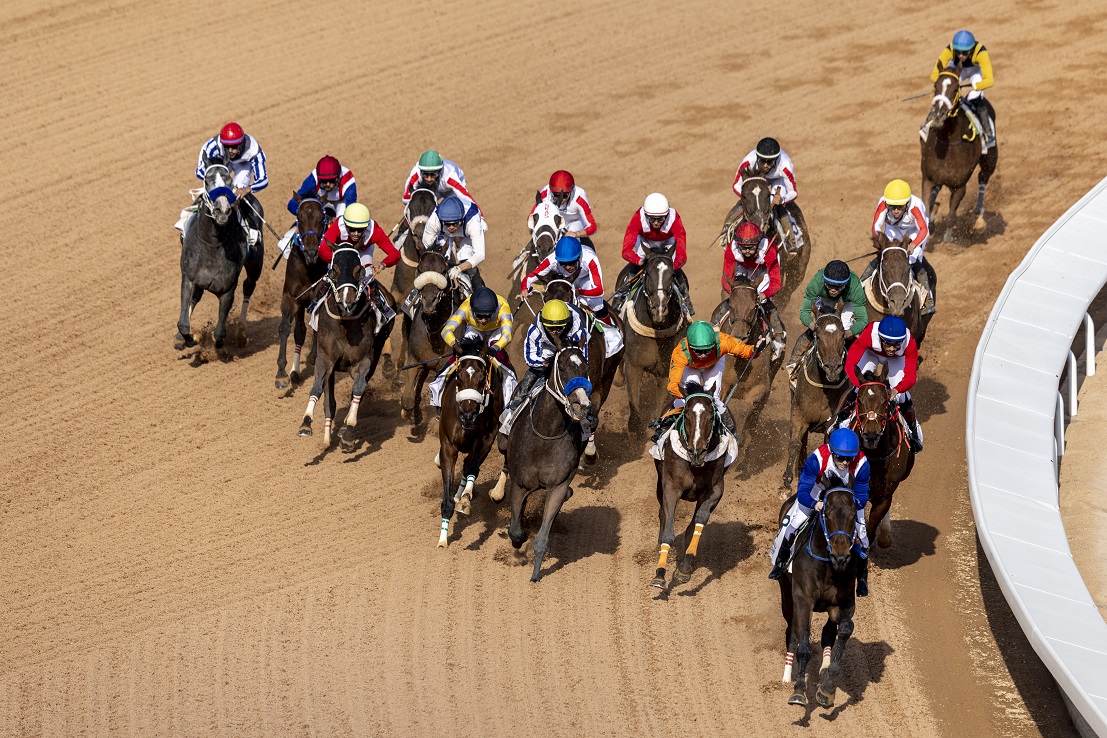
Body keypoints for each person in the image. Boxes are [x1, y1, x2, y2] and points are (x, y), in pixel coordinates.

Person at [767, 428, 872, 596]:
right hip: (817, 491)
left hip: (848, 497)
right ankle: (781, 562)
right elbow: (803, 491)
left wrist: (853, 505)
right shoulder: (817, 459)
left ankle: (862, 578)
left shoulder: (862, 463)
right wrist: (814, 504)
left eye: (849, 458)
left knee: (864, 538)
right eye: (840, 457)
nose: (845, 462)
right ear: (831, 452)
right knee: (793, 525)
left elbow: (862, 493)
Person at [499, 299, 589, 435]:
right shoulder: (535, 329)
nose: (555, 332)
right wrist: (546, 363)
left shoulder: (576, 325)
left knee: (579, 371)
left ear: (566, 322)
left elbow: (583, 355)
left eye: (560, 328)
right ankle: (514, 407)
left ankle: (587, 412)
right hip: (547, 350)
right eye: (550, 328)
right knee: (532, 374)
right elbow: (530, 357)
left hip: (570, 346)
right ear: (543, 324)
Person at [656, 321, 756, 436]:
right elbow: (672, 384)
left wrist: (755, 349)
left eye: (707, 350)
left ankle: (732, 434)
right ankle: (661, 431)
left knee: (714, 398)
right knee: (683, 401)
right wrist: (683, 395)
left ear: (714, 343)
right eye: (698, 351)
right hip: (691, 366)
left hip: (714, 364)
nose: (703, 355)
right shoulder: (681, 352)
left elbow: (745, 350)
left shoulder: (723, 341)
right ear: (689, 347)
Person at [177, 121, 268, 246]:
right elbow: (200, 171)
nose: (230, 151)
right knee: (212, 191)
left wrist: (247, 189)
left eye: (234, 147)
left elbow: (263, 180)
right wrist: (217, 181)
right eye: (227, 147)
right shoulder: (211, 146)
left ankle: (248, 229)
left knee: (236, 193)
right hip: (221, 165)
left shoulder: (253, 149)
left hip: (243, 166)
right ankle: (186, 220)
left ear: (241, 143)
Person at [428, 287, 517, 411]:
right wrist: (454, 344)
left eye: (488, 316)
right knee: (459, 356)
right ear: (472, 310)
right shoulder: (466, 307)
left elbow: (507, 335)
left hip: (496, 332)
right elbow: (446, 330)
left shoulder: (503, 308)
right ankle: (439, 392)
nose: (483, 320)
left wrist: (495, 348)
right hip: (475, 330)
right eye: (479, 316)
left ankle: (510, 405)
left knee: (501, 358)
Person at [313, 203, 400, 328]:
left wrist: (383, 263)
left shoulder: (374, 230)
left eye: (360, 230)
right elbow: (322, 250)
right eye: (352, 229)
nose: (356, 233)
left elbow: (395, 254)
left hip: (363, 250)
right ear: (345, 224)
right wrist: (341, 262)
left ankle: (381, 309)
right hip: (341, 251)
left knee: (367, 275)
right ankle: (315, 305)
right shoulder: (338, 226)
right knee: (332, 274)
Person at [844, 315, 923, 453]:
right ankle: (840, 422)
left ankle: (912, 430)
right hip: (871, 353)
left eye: (897, 345)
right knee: (857, 389)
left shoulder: (909, 342)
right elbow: (850, 365)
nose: (892, 349)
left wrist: (896, 390)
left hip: (897, 360)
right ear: (880, 338)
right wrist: (861, 386)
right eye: (888, 343)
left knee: (901, 396)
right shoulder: (869, 333)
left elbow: (910, 377)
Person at [614, 193, 693, 319]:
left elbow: (682, 254)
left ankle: (686, 299)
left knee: (672, 270)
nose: (656, 223)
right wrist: (638, 261)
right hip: (645, 241)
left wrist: (673, 266)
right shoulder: (638, 218)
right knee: (634, 268)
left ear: (666, 215)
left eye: (660, 219)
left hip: (667, 241)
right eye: (651, 219)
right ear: (646, 215)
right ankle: (620, 299)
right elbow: (626, 250)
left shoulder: (674, 219)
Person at [786, 259, 869, 377]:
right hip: (824, 300)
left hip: (846, 303)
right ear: (824, 281)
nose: (833, 290)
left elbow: (862, 320)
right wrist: (814, 327)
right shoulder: (817, 281)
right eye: (829, 285)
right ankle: (794, 363)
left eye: (838, 287)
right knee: (821, 328)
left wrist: (848, 332)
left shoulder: (855, 286)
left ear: (846, 284)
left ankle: (859, 369)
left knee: (843, 330)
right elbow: (804, 311)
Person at [867, 179, 935, 315]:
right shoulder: (882, 203)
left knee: (912, 260)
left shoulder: (915, 207)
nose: (896, 211)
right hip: (893, 229)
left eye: (900, 207)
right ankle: (862, 282)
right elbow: (876, 226)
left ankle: (928, 299)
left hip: (915, 231)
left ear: (907, 204)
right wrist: (879, 242)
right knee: (886, 256)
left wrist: (914, 244)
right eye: (892, 207)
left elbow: (923, 229)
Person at [722, 221, 787, 361]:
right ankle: (714, 325)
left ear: (758, 243)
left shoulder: (769, 250)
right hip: (742, 270)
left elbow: (776, 283)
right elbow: (726, 279)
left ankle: (778, 337)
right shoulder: (731, 249)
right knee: (736, 301)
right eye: (743, 247)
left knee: (764, 302)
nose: (746, 251)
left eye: (750, 248)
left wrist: (764, 294)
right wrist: (736, 294)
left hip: (763, 272)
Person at [277, 155, 357, 259]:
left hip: (341, 200)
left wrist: (338, 220)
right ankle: (290, 241)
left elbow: (351, 211)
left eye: (331, 181)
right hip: (319, 198)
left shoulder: (348, 181)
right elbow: (291, 203)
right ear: (319, 178)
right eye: (324, 181)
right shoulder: (312, 180)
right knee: (306, 218)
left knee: (342, 226)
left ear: (338, 178)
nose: (327, 184)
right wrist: (302, 213)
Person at [732, 136, 803, 250]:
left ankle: (790, 240)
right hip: (756, 179)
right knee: (747, 201)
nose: (765, 165)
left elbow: (793, 192)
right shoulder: (748, 162)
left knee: (774, 202)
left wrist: (782, 200)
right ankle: (726, 230)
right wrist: (748, 197)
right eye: (762, 161)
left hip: (777, 180)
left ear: (776, 159)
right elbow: (736, 185)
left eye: (769, 162)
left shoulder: (785, 166)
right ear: (757, 157)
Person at [521, 235, 610, 323]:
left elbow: (599, 291)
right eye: (563, 263)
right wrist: (524, 289)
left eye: (571, 263)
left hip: (586, 279)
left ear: (579, 256)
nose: (568, 267)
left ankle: (608, 328)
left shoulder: (590, 258)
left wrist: (579, 292)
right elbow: (530, 277)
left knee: (596, 303)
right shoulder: (552, 260)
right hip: (567, 280)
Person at [930, 30, 995, 149]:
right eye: (958, 52)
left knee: (974, 96)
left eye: (964, 53)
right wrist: (942, 87)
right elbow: (934, 75)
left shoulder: (981, 52)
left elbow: (990, 80)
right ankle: (931, 121)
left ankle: (988, 131)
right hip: (957, 68)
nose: (960, 56)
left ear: (971, 49)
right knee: (945, 91)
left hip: (975, 70)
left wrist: (972, 88)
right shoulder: (950, 49)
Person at [421, 195, 487, 295]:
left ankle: (480, 292)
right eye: (448, 224)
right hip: (444, 233)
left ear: (462, 219)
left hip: (466, 233)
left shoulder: (472, 221)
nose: (451, 227)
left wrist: (458, 268)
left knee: (465, 256)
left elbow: (480, 255)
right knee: (439, 256)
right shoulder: (435, 219)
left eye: (455, 224)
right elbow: (427, 245)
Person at [530, 170, 598, 248]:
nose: (561, 199)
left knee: (572, 230)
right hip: (555, 222)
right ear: (551, 191)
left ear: (571, 192)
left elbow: (593, 226)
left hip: (575, 222)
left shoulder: (579, 199)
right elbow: (531, 217)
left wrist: (576, 234)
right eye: (556, 195)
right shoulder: (545, 194)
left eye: (564, 195)